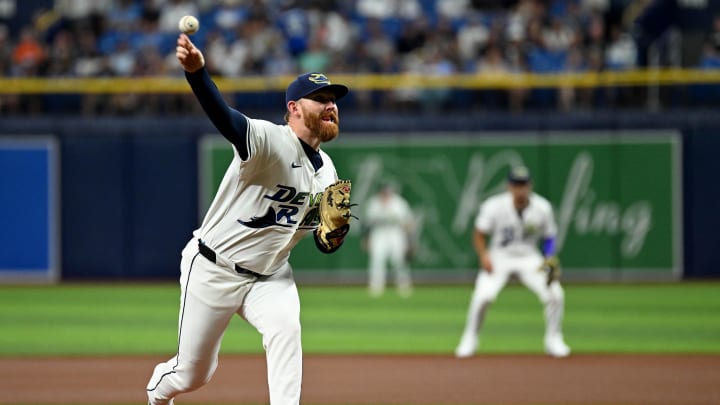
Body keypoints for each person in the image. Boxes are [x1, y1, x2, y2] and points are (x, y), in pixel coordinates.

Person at [146, 33, 351, 405]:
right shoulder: (270, 141)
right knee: (193, 374)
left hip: (271, 275)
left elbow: (324, 238)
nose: (330, 105)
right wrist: (197, 75)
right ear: (293, 108)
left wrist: (331, 235)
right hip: (214, 268)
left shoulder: (329, 173)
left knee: (286, 329)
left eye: (334, 100)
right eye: (320, 99)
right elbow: (226, 119)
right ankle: (158, 394)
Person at [454, 166, 570, 358]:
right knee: (483, 296)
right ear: (509, 186)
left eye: (523, 184)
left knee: (555, 293)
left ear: (530, 186)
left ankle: (553, 340)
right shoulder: (494, 205)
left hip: (529, 257)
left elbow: (549, 236)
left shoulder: (542, 207)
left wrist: (549, 256)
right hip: (500, 257)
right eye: (516, 185)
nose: (520, 189)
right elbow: (479, 233)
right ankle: (469, 339)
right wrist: (484, 256)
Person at [362, 182, 415, 297]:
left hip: (396, 233)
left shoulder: (399, 203)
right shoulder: (374, 203)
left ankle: (404, 286)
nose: (386, 194)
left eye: (388, 192)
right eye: (384, 192)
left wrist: (410, 240)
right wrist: (366, 239)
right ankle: (376, 287)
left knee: (399, 260)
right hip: (379, 233)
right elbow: (367, 224)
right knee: (377, 260)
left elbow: (408, 222)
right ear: (381, 192)